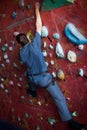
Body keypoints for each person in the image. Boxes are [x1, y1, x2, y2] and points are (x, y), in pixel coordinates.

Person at [16, 2, 87, 130]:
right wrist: (37, 8)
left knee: (28, 74)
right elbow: (39, 25)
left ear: (20, 45)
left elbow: (22, 60)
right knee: (58, 98)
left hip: (33, 79)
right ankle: (70, 121)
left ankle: (32, 91)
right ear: (28, 38)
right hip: (44, 80)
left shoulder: (21, 53)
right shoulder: (35, 43)